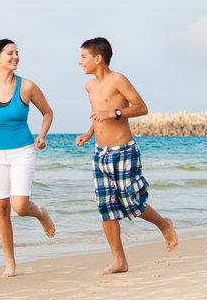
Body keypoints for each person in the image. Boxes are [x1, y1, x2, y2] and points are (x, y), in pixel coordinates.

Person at [75, 37, 178, 275]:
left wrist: (115, 112)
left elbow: (141, 107)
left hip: (124, 151)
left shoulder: (117, 79)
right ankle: (119, 260)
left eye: (83, 57)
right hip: (100, 153)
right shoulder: (89, 86)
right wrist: (89, 134)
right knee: (106, 207)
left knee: (131, 202)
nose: (79, 62)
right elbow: (96, 113)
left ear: (97, 58)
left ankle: (164, 224)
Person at [0, 38, 56, 278]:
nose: (15, 57)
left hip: (23, 151)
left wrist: (42, 135)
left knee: (19, 207)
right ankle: (10, 262)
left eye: (17, 53)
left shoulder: (27, 86)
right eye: (10, 53)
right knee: (1, 209)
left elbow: (47, 112)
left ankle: (40, 213)